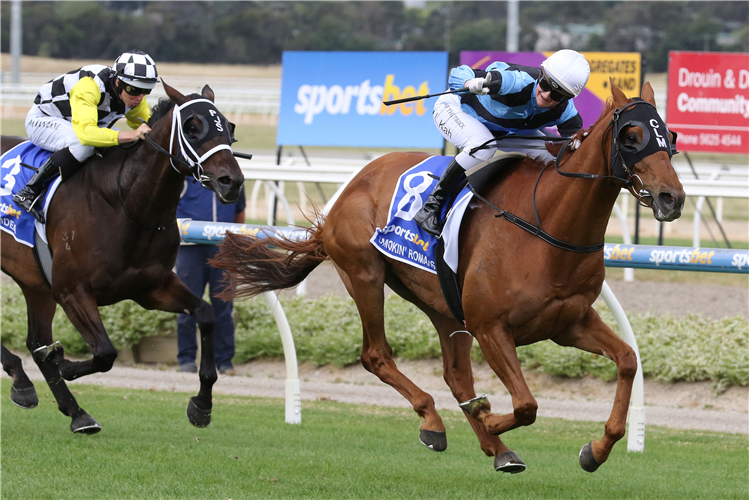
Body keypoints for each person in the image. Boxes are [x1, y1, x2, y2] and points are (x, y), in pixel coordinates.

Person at [414, 49, 591, 236]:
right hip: (455, 109)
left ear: (567, 98)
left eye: (557, 95)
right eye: (546, 84)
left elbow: (576, 144)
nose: (547, 95)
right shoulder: (514, 81)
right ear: (541, 75)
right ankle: (431, 206)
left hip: (501, 131)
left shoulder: (565, 112)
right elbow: (459, 72)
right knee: (484, 147)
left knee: (553, 155)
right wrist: (469, 82)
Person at [13, 50, 158, 223]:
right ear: (118, 82)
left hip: (75, 123)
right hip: (44, 119)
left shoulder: (134, 98)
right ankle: (29, 191)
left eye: (146, 91)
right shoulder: (90, 86)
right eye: (135, 90)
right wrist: (130, 134)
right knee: (83, 146)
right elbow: (86, 135)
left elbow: (150, 131)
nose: (140, 98)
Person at [176, 179, 246, 376]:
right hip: (189, 249)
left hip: (223, 250)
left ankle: (224, 362)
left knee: (224, 308)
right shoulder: (186, 175)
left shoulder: (234, 178)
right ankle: (187, 359)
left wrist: (236, 247)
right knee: (187, 306)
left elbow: (239, 211)